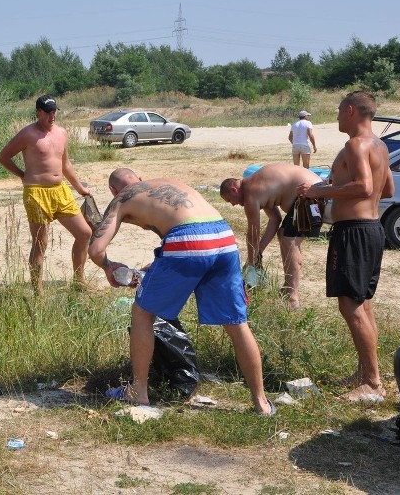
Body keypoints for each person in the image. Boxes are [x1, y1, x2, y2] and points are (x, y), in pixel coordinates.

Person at [88, 167, 273, 415]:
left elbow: (96, 250)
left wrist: (109, 267)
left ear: (113, 189)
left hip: (186, 241)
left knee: (142, 312)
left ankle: (137, 391)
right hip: (224, 237)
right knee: (237, 323)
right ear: (141, 178)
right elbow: (191, 229)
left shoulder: (122, 197)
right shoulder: (170, 181)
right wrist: (161, 264)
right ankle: (261, 403)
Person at [298, 91, 394, 402]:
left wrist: (320, 190)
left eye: (340, 111)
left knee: (349, 305)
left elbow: (364, 186)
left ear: (351, 110)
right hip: (373, 229)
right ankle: (365, 373)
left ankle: (372, 382)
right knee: (363, 303)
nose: (337, 117)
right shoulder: (380, 145)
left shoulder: (355, 144)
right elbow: (386, 188)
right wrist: (336, 188)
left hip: (353, 232)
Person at [0, 94, 93, 292]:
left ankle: (79, 281)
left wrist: (79, 188)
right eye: (47, 112)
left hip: (60, 190)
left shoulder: (62, 133)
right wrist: (22, 175)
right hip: (36, 192)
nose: (52, 115)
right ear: (38, 113)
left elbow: (65, 163)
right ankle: (38, 291)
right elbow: (3, 157)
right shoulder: (28, 134)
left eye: (54, 111)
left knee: (84, 233)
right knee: (41, 242)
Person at [219, 163, 327, 309]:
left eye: (230, 200)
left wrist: (251, 263)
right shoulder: (259, 187)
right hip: (310, 191)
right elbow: (275, 219)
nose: (233, 204)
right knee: (284, 234)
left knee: (289, 240)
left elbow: (253, 234)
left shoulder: (250, 191)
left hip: (310, 193)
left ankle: (292, 297)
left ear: (234, 189)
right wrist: (259, 253)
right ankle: (287, 289)